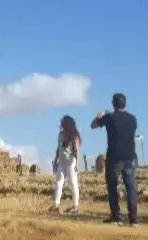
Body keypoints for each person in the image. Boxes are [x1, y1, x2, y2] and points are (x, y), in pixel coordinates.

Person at [91, 93, 138, 226]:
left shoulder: (109, 118)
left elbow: (93, 125)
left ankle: (116, 217)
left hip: (114, 158)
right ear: (125, 104)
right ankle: (133, 219)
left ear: (113, 104)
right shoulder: (133, 119)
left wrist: (100, 116)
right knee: (130, 188)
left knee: (112, 186)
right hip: (130, 157)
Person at [50, 115, 81, 214]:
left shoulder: (74, 135)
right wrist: (55, 161)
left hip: (71, 162)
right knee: (59, 183)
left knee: (73, 183)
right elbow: (58, 148)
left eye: (63, 122)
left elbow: (76, 150)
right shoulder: (60, 134)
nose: (61, 124)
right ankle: (56, 204)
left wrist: (77, 164)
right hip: (62, 162)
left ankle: (75, 206)